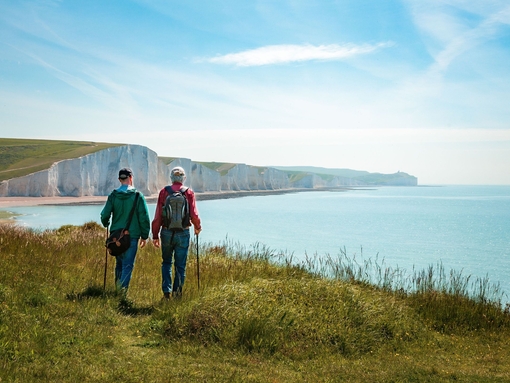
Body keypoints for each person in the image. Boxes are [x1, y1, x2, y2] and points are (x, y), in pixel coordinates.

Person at [152, 166, 202, 299]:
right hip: (183, 232)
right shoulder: (188, 193)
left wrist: (155, 235)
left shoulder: (164, 192)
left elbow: (158, 216)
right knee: (180, 265)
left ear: (171, 178)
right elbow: (194, 214)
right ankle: (177, 293)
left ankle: (166, 292)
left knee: (166, 262)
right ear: (183, 178)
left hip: (167, 232)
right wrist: (197, 227)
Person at [100, 167, 150, 296]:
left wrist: (106, 223)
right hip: (132, 236)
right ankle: (121, 295)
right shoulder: (138, 196)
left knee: (119, 264)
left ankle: (117, 291)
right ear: (131, 178)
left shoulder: (113, 195)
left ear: (119, 179)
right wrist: (144, 235)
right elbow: (144, 217)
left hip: (116, 236)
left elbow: (105, 214)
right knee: (127, 265)